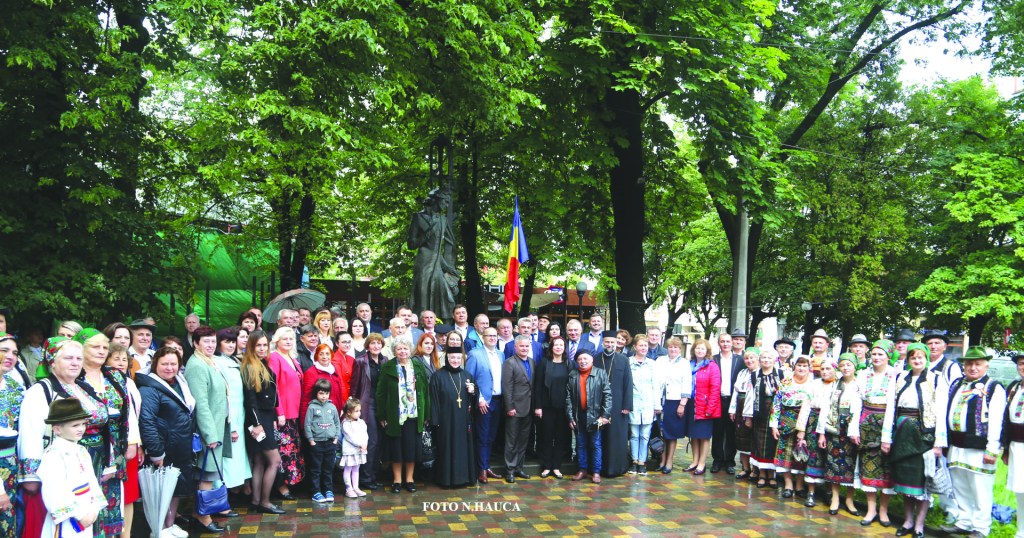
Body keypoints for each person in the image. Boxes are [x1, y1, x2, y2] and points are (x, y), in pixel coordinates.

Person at [18, 338, 85, 537]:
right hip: (54, 472)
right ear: (52, 362)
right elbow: (31, 433)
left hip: (82, 467)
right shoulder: (40, 392)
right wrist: (31, 477)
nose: (75, 362)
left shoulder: (82, 388)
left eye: (79, 358)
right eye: (68, 358)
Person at [881, 342, 948, 538]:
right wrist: (887, 437)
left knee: (922, 482)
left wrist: (938, 443)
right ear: (908, 360)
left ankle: (919, 524)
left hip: (924, 435)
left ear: (926, 359)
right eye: (913, 357)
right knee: (905, 481)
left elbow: (941, 411)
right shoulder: (900, 377)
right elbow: (891, 408)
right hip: (901, 434)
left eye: (920, 357)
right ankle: (907, 520)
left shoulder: (936, 379)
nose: (917, 360)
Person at [942, 346, 1006, 538]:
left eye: (977, 364)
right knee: (960, 485)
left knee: (980, 488)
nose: (972, 367)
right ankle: (964, 522)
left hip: (980, 447)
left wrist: (992, 449)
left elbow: (997, 421)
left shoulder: (994, 387)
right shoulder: (956, 384)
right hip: (957, 444)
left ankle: (981, 528)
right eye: (969, 363)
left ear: (986, 365)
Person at [136, 347, 198, 537]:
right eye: (164, 364)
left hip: (181, 446)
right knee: (161, 490)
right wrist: (156, 452)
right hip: (164, 449)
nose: (169, 368)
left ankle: (169, 525)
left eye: (173, 364)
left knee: (176, 488)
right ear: (155, 364)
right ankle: (160, 528)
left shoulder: (180, 383)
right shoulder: (149, 389)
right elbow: (146, 421)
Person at [76, 328, 129, 538]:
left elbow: (128, 409)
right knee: (88, 503)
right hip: (86, 448)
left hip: (115, 446)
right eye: (95, 346)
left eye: (105, 347)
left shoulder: (114, 375)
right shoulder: (74, 377)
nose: (101, 351)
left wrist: (130, 442)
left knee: (113, 501)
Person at [183, 326, 232, 533]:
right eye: (206, 342)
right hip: (208, 431)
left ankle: (199, 512)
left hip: (218, 426)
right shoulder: (196, 366)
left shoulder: (209, 361)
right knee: (206, 474)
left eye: (213, 341)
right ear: (195, 343)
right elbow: (200, 404)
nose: (211, 345)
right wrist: (210, 435)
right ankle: (203, 516)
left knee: (208, 473)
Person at [38, 398, 107, 538]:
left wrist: (94, 508)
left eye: (83, 424)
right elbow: (55, 490)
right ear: (57, 429)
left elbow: (92, 481)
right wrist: (80, 515)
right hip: (70, 516)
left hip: (87, 509)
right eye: (75, 425)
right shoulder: (54, 455)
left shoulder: (81, 450)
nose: (81, 429)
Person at [239, 331, 286, 515]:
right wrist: (258, 424)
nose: (262, 348)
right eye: (258, 345)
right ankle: (265, 501)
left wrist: (272, 418)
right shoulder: (250, 367)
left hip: (265, 418)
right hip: (258, 420)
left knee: (259, 461)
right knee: (274, 461)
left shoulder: (262, 364)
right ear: (251, 346)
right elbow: (250, 401)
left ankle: (256, 501)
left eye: (265, 345)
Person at [376, 339, 430, 493]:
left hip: (414, 415)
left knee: (411, 449)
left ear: (410, 350)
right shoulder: (388, 367)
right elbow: (381, 394)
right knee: (396, 449)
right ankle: (397, 480)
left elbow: (425, 392)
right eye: (399, 349)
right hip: (395, 416)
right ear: (394, 351)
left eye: (405, 348)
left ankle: (410, 479)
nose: (402, 352)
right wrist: (381, 416)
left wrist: (426, 414)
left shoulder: (418, 366)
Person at [856, 339, 900, 527]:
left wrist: (887, 435)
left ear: (888, 356)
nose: (876, 357)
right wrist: (854, 429)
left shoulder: (896, 375)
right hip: (866, 424)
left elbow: (892, 405)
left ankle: (883, 511)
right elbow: (857, 402)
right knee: (868, 467)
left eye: (880, 354)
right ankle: (871, 509)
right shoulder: (863, 374)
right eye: (874, 354)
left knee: (885, 468)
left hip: (886, 424)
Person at [105, 343, 143, 538]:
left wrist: (138, 444)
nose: (120, 363)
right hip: (114, 445)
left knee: (129, 493)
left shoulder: (129, 382)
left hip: (131, 443)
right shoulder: (104, 382)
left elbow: (135, 417)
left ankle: (126, 533)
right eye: (116, 358)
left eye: (124, 359)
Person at [817, 353, 862, 516]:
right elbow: (825, 409)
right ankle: (835, 498)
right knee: (834, 464)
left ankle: (849, 499)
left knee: (852, 465)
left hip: (853, 432)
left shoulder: (860, 385)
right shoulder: (835, 385)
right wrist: (821, 433)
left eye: (849, 365)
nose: (845, 368)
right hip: (835, 430)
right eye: (842, 365)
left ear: (855, 366)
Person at [429, 348, 477, 488]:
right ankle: (446, 480)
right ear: (447, 359)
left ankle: (464, 478)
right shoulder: (438, 376)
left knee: (463, 449)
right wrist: (435, 421)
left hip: (463, 421)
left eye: (458, 358)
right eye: (452, 358)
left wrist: (473, 392)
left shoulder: (467, 375)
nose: (455, 361)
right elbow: (434, 400)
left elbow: (473, 399)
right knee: (447, 449)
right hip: (446, 422)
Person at [267, 327, 306, 499]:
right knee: (283, 451)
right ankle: (281, 486)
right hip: (283, 413)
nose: (289, 341)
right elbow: (273, 387)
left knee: (293, 450)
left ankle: (292, 482)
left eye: (291, 338)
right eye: (285, 339)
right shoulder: (274, 358)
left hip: (294, 412)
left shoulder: (293, 358)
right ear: (276, 341)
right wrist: (279, 412)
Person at [769, 355, 815, 499]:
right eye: (799, 365)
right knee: (785, 453)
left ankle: (800, 485)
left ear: (809, 368)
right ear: (794, 366)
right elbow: (776, 403)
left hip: (806, 422)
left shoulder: (813, 383)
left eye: (805, 366)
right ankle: (788, 484)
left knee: (801, 454)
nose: (801, 368)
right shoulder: (785, 382)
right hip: (786, 420)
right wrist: (774, 425)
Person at [213, 327, 251, 499]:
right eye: (226, 341)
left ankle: (226, 499)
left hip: (239, 418)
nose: (230, 345)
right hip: (229, 422)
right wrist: (232, 426)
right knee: (226, 464)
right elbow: (226, 398)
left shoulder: (232, 360)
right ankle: (221, 501)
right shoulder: (218, 363)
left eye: (233, 341)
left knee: (234, 464)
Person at [567, 352, 612, 483]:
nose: (582, 361)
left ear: (591, 360)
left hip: (595, 415)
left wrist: (605, 415)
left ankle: (596, 472)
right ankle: (582, 469)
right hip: (578, 415)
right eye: (579, 359)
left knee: (595, 444)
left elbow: (607, 395)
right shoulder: (572, 375)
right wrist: (570, 417)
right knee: (580, 444)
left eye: (585, 358)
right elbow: (568, 398)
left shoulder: (600, 373)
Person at [465, 327, 502, 484]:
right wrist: (478, 398)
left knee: (492, 436)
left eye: (495, 335)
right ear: (483, 337)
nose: (492, 338)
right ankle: (481, 469)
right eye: (489, 335)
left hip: (498, 400)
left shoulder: (501, 354)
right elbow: (468, 379)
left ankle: (486, 466)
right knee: (482, 435)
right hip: (483, 401)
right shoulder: (475, 354)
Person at [593, 330, 633, 477]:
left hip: (618, 404)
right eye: (607, 342)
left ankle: (618, 467)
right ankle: (600, 468)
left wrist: (627, 405)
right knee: (601, 437)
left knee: (617, 437)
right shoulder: (595, 359)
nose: (609, 344)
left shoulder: (623, 360)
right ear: (603, 343)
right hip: (599, 404)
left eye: (612, 342)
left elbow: (628, 383)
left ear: (616, 343)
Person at [351, 334, 386, 492]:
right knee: (371, 441)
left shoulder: (385, 361)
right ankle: (366, 477)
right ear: (368, 345)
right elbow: (355, 386)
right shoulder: (360, 361)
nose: (376, 346)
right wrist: (354, 409)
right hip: (367, 404)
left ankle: (374, 474)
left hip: (382, 404)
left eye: (379, 343)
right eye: (373, 343)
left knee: (379, 442)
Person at [534, 335, 573, 479]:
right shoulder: (544, 363)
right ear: (551, 347)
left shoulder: (569, 364)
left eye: (561, 345)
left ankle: (556, 466)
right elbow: (537, 386)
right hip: (547, 407)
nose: (558, 347)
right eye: (556, 345)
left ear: (564, 348)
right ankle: (546, 466)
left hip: (563, 408)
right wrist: (538, 406)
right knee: (546, 436)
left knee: (560, 437)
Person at [744, 348, 782, 487]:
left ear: (774, 360)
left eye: (769, 358)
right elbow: (749, 396)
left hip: (776, 412)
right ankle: (762, 473)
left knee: (773, 442)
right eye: (764, 358)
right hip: (759, 411)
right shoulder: (754, 375)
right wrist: (748, 417)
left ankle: (772, 475)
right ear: (760, 360)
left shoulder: (781, 374)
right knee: (759, 442)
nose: (766, 360)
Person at [0, 332, 25, 536]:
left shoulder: (15, 388)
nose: (11, 356)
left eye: (15, 352)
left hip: (10, 466)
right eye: (4, 350)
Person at [656, 337, 692, 474]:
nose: (673, 349)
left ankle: (669, 461)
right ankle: (662, 460)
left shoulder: (684, 363)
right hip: (660, 400)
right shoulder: (660, 361)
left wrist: (682, 404)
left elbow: (687, 384)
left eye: (676, 347)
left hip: (675, 401)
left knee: (671, 433)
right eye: (671, 347)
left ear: (680, 349)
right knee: (662, 433)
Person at [685, 338, 720, 475]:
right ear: (693, 350)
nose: (699, 351)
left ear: (707, 351)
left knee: (704, 436)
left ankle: (702, 463)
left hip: (705, 405)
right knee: (694, 435)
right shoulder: (689, 364)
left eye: (702, 348)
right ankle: (694, 461)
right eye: (697, 348)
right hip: (691, 404)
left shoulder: (712, 366)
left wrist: (710, 408)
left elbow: (715, 388)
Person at [502, 336, 535, 483]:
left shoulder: (532, 362)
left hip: (528, 408)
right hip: (514, 409)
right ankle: (509, 470)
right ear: (515, 347)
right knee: (512, 441)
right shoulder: (509, 363)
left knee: (523, 440)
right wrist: (509, 407)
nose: (524, 348)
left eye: (527, 346)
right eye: (521, 346)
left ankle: (518, 468)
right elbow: (507, 387)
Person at [304, 379, 341, 503]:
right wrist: (311, 441)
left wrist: (336, 437)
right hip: (317, 443)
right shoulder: (312, 407)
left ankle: (328, 490)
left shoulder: (332, 407)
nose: (324, 396)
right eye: (321, 393)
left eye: (326, 393)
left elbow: (337, 423)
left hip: (330, 443)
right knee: (316, 469)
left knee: (328, 468)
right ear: (316, 393)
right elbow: (307, 425)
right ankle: (316, 491)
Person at [713, 330, 745, 474]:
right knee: (718, 431)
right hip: (718, 399)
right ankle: (717, 460)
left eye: (728, 341)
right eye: (722, 341)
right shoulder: (713, 359)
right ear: (719, 343)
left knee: (731, 431)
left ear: (732, 343)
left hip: (733, 400)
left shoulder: (740, 360)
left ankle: (730, 461)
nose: (725, 344)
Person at [628, 335, 660, 475]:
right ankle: (634, 461)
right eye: (640, 345)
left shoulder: (653, 364)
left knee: (645, 435)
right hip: (633, 403)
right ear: (635, 346)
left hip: (648, 403)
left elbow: (656, 386)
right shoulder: (627, 362)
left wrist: (657, 405)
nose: (643, 348)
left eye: (645, 346)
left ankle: (642, 462)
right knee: (634, 434)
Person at [1001, 351, 1024, 538]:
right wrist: (1006, 447)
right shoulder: (1014, 387)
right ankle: (1021, 530)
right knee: (1020, 488)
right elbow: (1006, 420)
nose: (1023, 367)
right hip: (1016, 446)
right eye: (1022, 363)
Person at [729, 347, 759, 481]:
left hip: (753, 407)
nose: (749, 360)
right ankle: (745, 468)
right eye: (747, 358)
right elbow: (736, 392)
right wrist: (732, 409)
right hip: (740, 406)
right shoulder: (742, 372)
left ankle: (755, 469)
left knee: (753, 439)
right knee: (741, 437)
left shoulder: (760, 373)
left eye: (752, 358)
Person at [300, 344, 347, 428]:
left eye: (327, 354)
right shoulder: (311, 373)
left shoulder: (334, 370)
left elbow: (341, 393)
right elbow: (306, 399)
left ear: (331, 355)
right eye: (321, 354)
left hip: (335, 416)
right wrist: (305, 425)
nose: (324, 357)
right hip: (319, 420)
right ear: (316, 356)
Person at [340, 398, 369, 497]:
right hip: (350, 451)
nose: (359, 413)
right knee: (348, 469)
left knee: (356, 469)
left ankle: (356, 488)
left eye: (359, 410)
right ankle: (349, 489)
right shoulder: (346, 424)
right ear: (348, 412)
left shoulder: (361, 422)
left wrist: (364, 444)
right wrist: (359, 444)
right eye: (356, 411)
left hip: (360, 450)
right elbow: (350, 437)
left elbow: (365, 434)